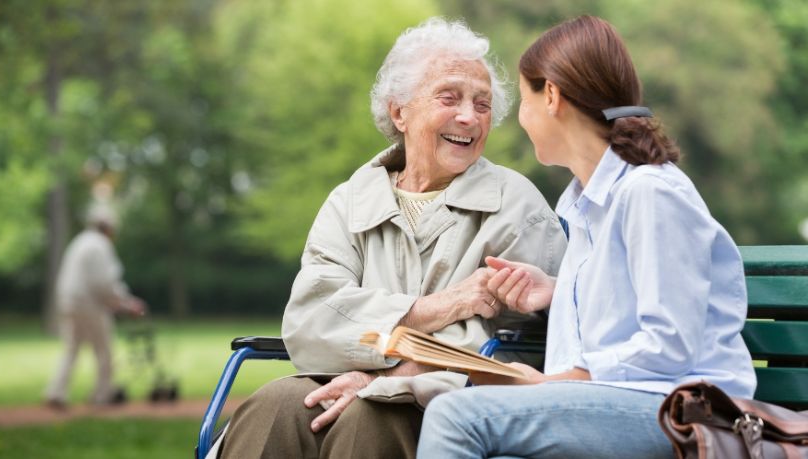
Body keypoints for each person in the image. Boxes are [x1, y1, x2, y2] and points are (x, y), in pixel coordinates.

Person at [215, 18, 567, 459]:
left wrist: (389, 378)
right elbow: (310, 320)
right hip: (338, 378)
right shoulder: (350, 201)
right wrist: (442, 306)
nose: (469, 117)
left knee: (372, 417)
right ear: (399, 111)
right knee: (273, 408)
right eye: (449, 97)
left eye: (482, 104)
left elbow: (523, 344)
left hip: (452, 398)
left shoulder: (517, 206)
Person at [417, 15, 756, 459]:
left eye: (524, 100)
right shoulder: (588, 205)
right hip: (628, 403)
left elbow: (669, 343)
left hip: (677, 410)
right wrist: (557, 291)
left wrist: (559, 382)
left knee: (456, 415)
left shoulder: (650, 192)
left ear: (552, 96)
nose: (519, 119)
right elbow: (636, 302)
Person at [44, 203, 146, 409]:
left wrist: (120, 302)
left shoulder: (80, 241)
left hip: (68, 302)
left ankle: (57, 392)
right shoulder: (100, 245)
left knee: (71, 348)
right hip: (89, 304)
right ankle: (102, 395)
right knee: (104, 349)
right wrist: (127, 303)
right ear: (109, 227)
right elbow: (105, 283)